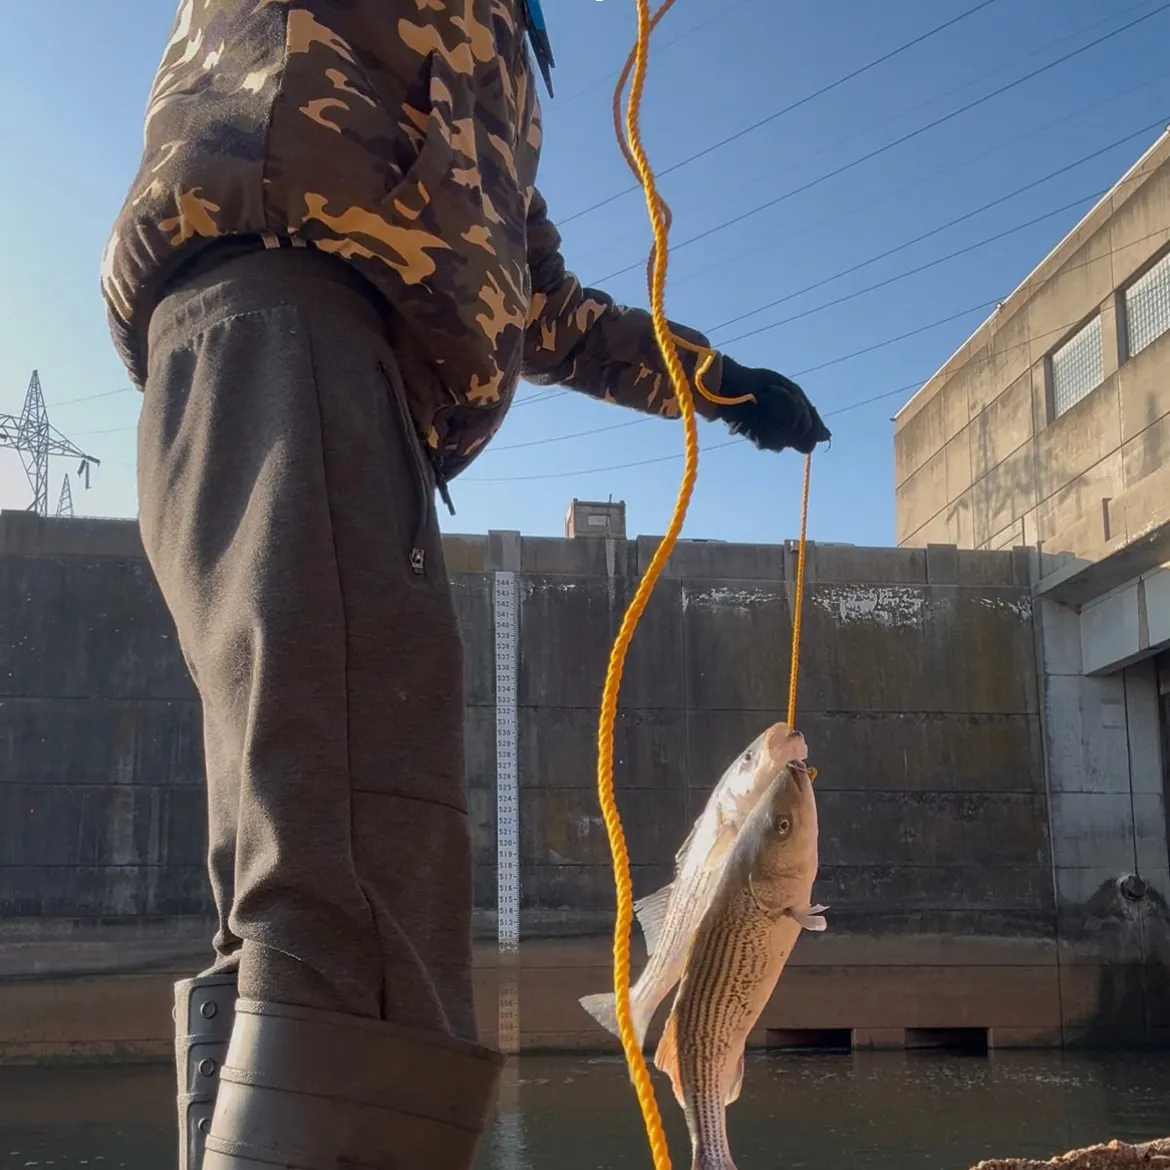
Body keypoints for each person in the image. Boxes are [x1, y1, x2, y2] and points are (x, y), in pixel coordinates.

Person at [101, 3, 831, 1169]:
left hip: (330, 378)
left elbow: (538, 301)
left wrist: (712, 379)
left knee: (320, 876)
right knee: (355, 887)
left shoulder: (500, 72)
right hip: (298, 328)